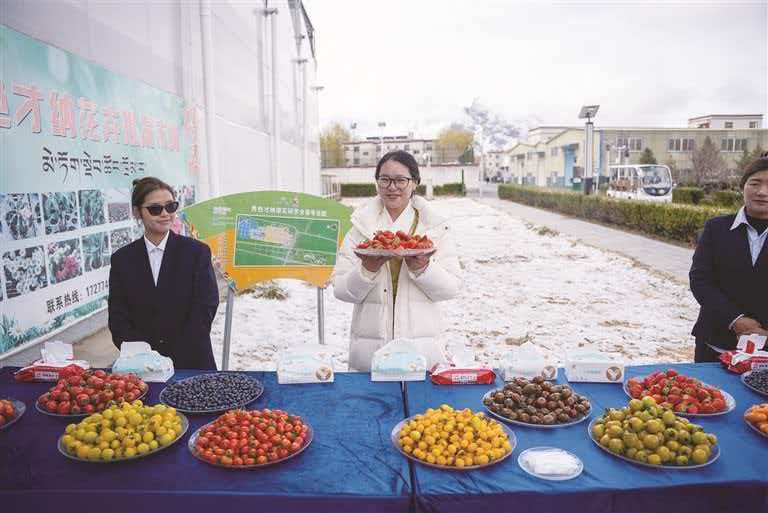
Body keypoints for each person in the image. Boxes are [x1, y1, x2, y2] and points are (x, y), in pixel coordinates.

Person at [332, 151, 461, 371]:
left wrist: (423, 268)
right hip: (369, 351)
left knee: (418, 392)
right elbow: (341, 290)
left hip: (421, 351)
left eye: (401, 180)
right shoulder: (360, 228)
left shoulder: (434, 227)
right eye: (385, 179)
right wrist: (366, 269)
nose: (392, 187)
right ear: (377, 182)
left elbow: (451, 288)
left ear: (415, 183)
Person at [108, 177, 219, 369]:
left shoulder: (196, 253)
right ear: (137, 212)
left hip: (191, 362)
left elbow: (205, 307)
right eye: (155, 209)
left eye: (170, 206)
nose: (165, 214)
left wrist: (174, 357)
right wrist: (145, 356)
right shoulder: (122, 259)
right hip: (142, 366)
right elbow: (118, 317)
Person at [690, 154, 768, 362]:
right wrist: (736, 320)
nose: (762, 192)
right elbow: (700, 280)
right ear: (743, 187)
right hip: (715, 346)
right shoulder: (716, 228)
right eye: (755, 183)